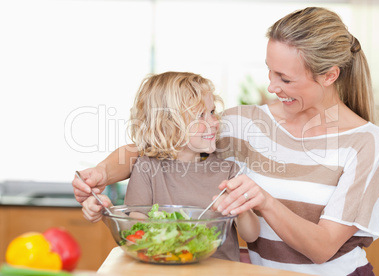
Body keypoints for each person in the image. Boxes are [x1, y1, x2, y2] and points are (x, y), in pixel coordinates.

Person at [72, 7, 379, 276]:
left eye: (285, 78)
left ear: (329, 76)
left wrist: (264, 201)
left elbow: (323, 248)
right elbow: (161, 143)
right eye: (270, 71)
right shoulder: (244, 123)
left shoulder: (367, 143)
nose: (271, 86)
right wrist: (100, 173)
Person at [78, 71, 260, 262]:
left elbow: (251, 235)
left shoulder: (229, 171)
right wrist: (108, 212)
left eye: (212, 112)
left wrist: (241, 210)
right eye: (200, 116)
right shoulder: (147, 168)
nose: (214, 122)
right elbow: (137, 231)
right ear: (168, 125)